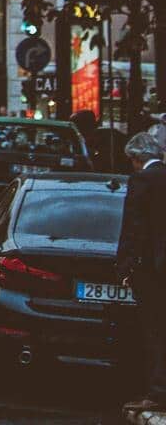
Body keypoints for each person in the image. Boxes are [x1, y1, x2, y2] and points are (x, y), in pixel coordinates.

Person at [118, 130, 166, 415]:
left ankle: (157, 392)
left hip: (150, 269)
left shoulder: (141, 181)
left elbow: (133, 227)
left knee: (154, 330)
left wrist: (124, 263)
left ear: (136, 159)